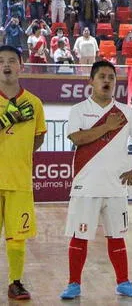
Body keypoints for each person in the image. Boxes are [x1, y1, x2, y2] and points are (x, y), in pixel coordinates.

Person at [59, 61, 132, 300]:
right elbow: (77, 138)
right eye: (102, 76)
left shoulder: (127, 111)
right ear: (91, 81)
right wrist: (107, 126)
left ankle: (123, 282)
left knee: (117, 236)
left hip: (116, 188)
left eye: (111, 77)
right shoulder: (79, 109)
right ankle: (73, 284)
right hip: (85, 186)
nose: (107, 81)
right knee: (79, 237)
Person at [0, 45, 46, 300]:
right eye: (1, 61)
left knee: (17, 237)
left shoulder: (35, 103)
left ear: (21, 66)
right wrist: (9, 119)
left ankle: (15, 282)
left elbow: (38, 139)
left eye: (11, 61)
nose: (6, 65)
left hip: (19, 180)